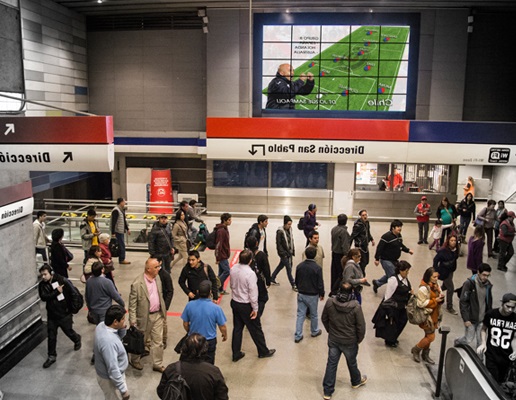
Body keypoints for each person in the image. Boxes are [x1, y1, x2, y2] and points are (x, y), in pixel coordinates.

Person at [321, 282, 367, 399]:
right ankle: (356, 381)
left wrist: (330, 331)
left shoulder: (330, 302)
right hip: (350, 341)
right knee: (351, 362)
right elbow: (361, 326)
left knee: (331, 364)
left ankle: (327, 391)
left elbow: (324, 318)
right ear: (352, 292)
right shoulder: (356, 306)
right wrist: (358, 339)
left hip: (334, 339)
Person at [229, 250, 275, 361]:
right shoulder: (250, 274)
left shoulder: (233, 269)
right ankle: (263, 351)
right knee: (256, 329)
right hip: (246, 305)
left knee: (237, 328)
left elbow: (231, 285)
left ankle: (236, 353)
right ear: (250, 261)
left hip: (235, 302)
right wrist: (255, 308)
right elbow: (253, 293)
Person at [157, 333, 229, 400]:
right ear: (205, 350)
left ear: (184, 349)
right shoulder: (213, 372)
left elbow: (161, 391)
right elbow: (222, 397)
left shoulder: (172, 369)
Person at [38, 264, 81, 369]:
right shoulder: (42, 285)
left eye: (45, 274)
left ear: (51, 273)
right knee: (51, 336)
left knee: (68, 331)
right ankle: (51, 356)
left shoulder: (62, 280)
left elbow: (73, 293)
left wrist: (73, 308)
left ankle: (76, 339)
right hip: (52, 315)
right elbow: (44, 297)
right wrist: (56, 292)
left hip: (64, 314)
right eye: (42, 275)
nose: (43, 277)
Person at [128, 258, 166, 373]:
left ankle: (157, 364)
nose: (159, 269)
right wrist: (132, 321)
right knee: (140, 341)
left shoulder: (157, 278)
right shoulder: (137, 284)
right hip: (144, 318)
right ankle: (134, 360)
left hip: (158, 315)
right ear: (148, 269)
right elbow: (132, 304)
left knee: (158, 342)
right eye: (156, 267)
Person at [86, 262, 125, 364]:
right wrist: (122, 304)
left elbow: (87, 296)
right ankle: (102, 354)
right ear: (102, 270)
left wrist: (90, 308)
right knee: (106, 334)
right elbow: (115, 295)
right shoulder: (107, 282)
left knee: (98, 331)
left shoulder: (89, 281)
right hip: (105, 312)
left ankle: (96, 353)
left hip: (94, 311)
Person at [181, 280, 228, 365]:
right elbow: (222, 326)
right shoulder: (216, 308)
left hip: (193, 340)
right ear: (210, 292)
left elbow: (185, 324)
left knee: (192, 362)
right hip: (209, 340)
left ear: (198, 292)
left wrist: (190, 332)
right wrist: (225, 334)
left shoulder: (190, 305)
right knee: (208, 363)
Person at [477, 293, 516, 383]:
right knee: (492, 380)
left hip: (506, 356)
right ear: (502, 303)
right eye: (508, 306)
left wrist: (514, 350)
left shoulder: (515, 318)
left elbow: (514, 337)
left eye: (513, 307)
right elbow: (483, 329)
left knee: (501, 381)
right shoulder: (491, 314)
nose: (510, 310)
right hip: (492, 354)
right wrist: (483, 343)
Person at [372, 261, 412, 348]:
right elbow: (388, 295)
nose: (407, 272)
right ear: (400, 271)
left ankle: (393, 338)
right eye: (406, 271)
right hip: (394, 307)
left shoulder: (405, 280)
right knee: (393, 324)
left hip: (402, 306)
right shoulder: (393, 280)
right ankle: (390, 340)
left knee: (402, 321)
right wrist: (388, 309)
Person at [94, 305, 130, 400]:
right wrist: (123, 390)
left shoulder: (101, 325)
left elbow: (119, 337)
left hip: (111, 375)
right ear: (115, 322)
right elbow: (113, 368)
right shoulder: (108, 342)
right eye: (122, 319)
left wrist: (122, 327)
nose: (125, 321)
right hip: (110, 380)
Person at [455, 263, 492, 351]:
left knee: (481, 342)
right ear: (478, 272)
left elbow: (488, 302)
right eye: (484, 275)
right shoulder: (469, 284)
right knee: (468, 339)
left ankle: (480, 360)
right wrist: (466, 319)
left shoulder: (488, 285)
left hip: (482, 319)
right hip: (471, 319)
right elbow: (463, 302)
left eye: (488, 275)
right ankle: (457, 342)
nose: (485, 277)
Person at [411, 267, 444, 365]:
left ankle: (425, 354)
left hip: (434, 314)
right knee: (431, 336)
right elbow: (420, 303)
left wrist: (441, 297)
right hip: (426, 315)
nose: (436, 279)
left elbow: (440, 293)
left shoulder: (436, 285)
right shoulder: (423, 288)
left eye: (437, 277)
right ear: (428, 277)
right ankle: (416, 349)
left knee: (428, 335)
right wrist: (435, 301)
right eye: (434, 277)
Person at [373, 220, 413, 294]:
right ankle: (396, 292)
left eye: (400, 227)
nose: (400, 228)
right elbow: (380, 247)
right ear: (393, 228)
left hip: (394, 260)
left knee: (393, 274)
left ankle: (377, 283)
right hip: (386, 260)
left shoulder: (399, 236)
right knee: (393, 276)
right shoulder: (386, 236)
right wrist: (377, 259)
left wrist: (408, 250)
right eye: (398, 227)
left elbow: (401, 245)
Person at [294, 246, 325, 343]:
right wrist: (322, 293)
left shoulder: (299, 266)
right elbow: (320, 282)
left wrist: (299, 288)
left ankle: (298, 335)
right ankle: (314, 331)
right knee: (314, 314)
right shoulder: (317, 268)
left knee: (300, 315)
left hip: (302, 293)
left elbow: (297, 280)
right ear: (315, 255)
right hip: (312, 295)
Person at [433, 234, 459, 314]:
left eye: (454, 240)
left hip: (451, 271)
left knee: (445, 286)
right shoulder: (443, 251)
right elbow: (436, 260)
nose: (453, 242)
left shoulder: (456, 249)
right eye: (451, 240)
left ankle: (435, 293)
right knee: (450, 288)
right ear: (448, 241)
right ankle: (449, 307)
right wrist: (436, 270)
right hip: (444, 272)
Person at [246, 236, 271, 318]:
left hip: (247, 280)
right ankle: (256, 315)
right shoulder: (261, 255)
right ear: (257, 243)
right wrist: (268, 281)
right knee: (263, 298)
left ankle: (250, 314)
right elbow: (266, 269)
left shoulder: (245, 255)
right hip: (258, 281)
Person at [271, 215, 296, 290]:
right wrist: (282, 254)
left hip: (289, 252)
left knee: (281, 266)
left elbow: (291, 240)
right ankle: (293, 284)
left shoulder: (290, 230)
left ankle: (272, 278)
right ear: (284, 224)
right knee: (289, 268)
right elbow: (279, 244)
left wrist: (292, 251)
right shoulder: (280, 232)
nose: (289, 226)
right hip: (284, 254)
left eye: (290, 224)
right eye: (288, 224)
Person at [350, 209, 375, 275]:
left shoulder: (367, 223)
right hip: (360, 247)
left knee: (366, 261)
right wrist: (348, 247)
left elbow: (368, 232)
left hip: (365, 246)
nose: (365, 216)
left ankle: (360, 275)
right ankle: (362, 276)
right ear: (360, 216)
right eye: (363, 215)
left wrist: (371, 239)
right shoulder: (358, 225)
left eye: (365, 215)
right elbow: (352, 236)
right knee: (362, 263)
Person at [330, 214, 351, 291]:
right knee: (341, 274)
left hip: (334, 253)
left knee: (334, 272)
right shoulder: (343, 232)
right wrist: (347, 256)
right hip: (341, 255)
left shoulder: (334, 229)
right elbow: (345, 245)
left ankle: (333, 288)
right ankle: (336, 289)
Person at [157, 258, 174, 350]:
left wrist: (165, 305)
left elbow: (170, 291)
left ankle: (164, 340)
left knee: (163, 323)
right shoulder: (149, 274)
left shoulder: (165, 275)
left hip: (162, 304)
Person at [215, 213, 232, 295]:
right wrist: (217, 257)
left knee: (221, 272)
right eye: (229, 220)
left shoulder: (224, 229)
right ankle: (215, 287)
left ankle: (220, 289)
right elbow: (218, 245)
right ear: (224, 220)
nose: (230, 221)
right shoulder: (221, 231)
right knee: (227, 271)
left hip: (224, 254)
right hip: (222, 255)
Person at [110, 198, 131, 265]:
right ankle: (122, 259)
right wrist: (113, 232)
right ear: (121, 202)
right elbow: (113, 222)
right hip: (117, 231)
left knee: (121, 245)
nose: (125, 203)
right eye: (124, 201)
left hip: (121, 230)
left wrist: (127, 229)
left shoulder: (121, 210)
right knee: (121, 245)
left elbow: (124, 220)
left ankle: (121, 258)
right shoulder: (116, 210)